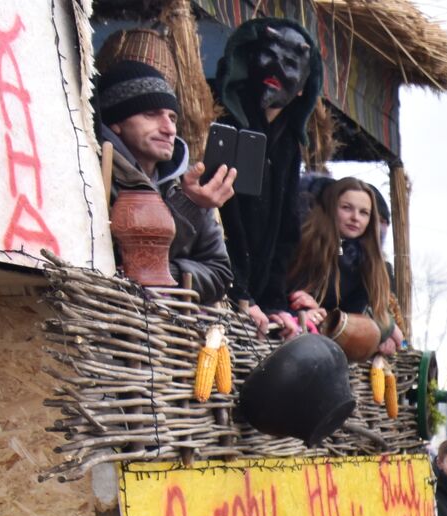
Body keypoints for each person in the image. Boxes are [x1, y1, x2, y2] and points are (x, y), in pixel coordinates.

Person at [213, 18, 322, 338]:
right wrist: (239, 293)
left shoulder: (288, 144)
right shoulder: (223, 122)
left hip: (257, 305)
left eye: (290, 63)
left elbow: (286, 230)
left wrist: (274, 301)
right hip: (225, 294)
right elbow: (220, 222)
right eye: (268, 54)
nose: (276, 68)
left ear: (303, 86)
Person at [95, 59, 234, 304]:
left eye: (172, 117)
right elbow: (115, 264)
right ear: (116, 122)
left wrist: (171, 273)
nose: (169, 128)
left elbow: (221, 275)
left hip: (169, 335)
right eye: (151, 114)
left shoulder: (186, 187)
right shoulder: (95, 177)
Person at [285, 177, 403, 353]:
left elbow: (351, 314)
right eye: (347, 208)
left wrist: (384, 330)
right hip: (290, 324)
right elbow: (281, 285)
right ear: (332, 207)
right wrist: (301, 308)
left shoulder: (367, 261)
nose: (355, 218)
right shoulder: (305, 239)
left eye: (364, 213)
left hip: (326, 337)